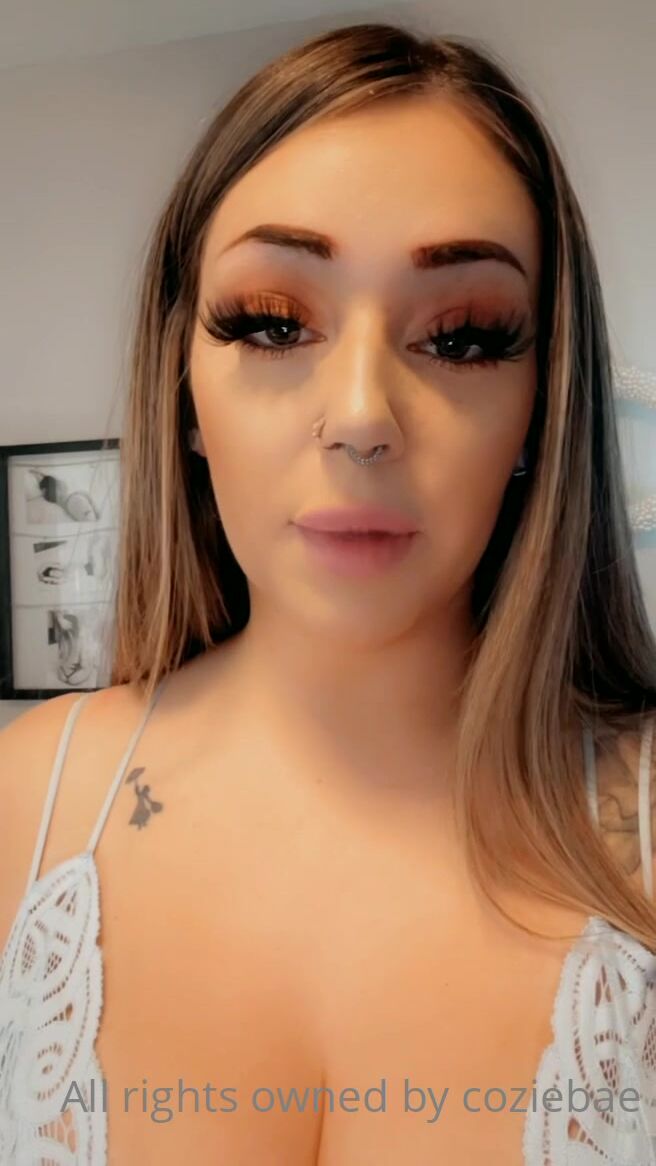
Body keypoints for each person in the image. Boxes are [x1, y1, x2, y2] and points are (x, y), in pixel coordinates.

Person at [1, 20, 655, 1166]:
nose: (359, 415)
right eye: (271, 322)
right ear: (183, 388)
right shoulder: (23, 802)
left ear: (539, 406)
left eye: (462, 338)